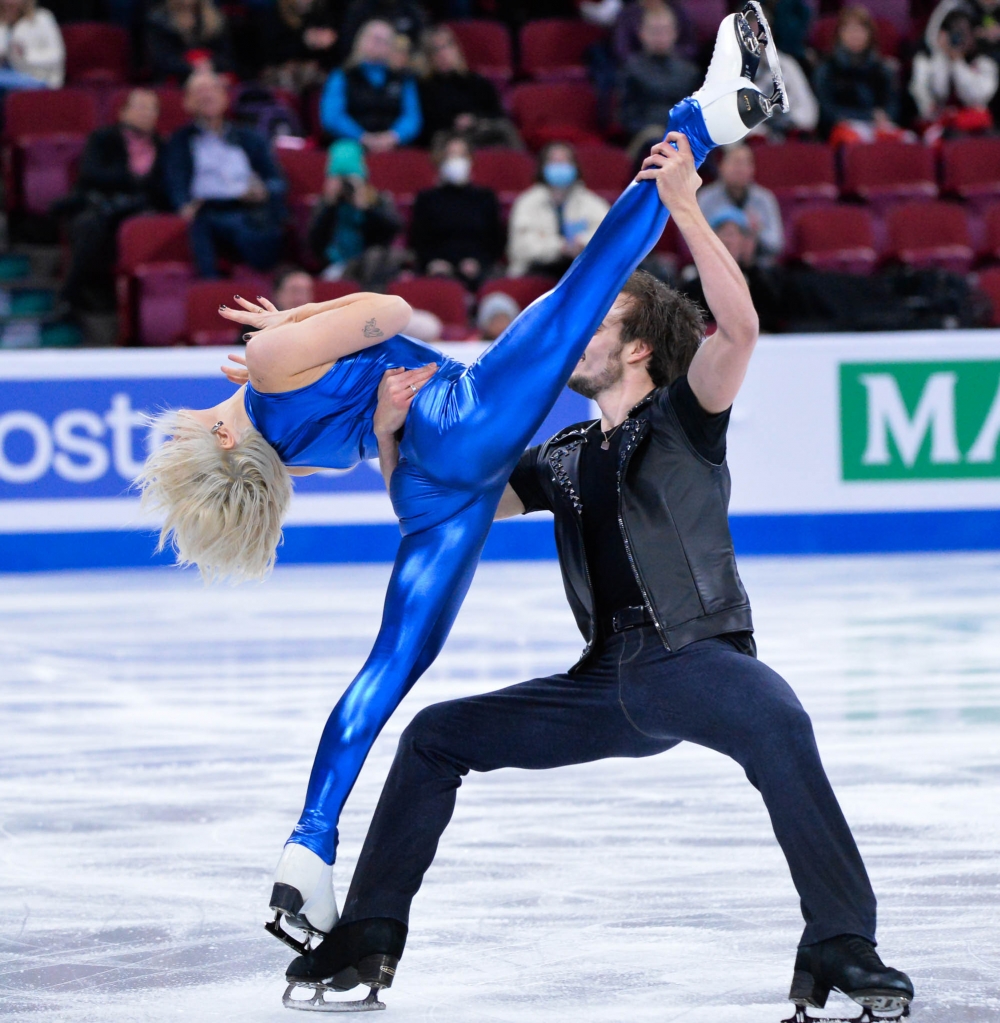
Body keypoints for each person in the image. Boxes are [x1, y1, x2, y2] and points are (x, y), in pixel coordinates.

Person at [135, 3, 784, 992]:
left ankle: (308, 856)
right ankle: (705, 115)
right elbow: (396, 312)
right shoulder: (264, 367)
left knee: (388, 670)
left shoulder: (279, 455)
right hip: (462, 412)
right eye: (196, 423)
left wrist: (364, 403)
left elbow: (376, 445)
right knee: (591, 280)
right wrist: (303, 323)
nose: (198, 413)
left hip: (431, 495)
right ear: (215, 437)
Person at [286, 157, 915, 1023]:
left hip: (692, 655)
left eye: (599, 319)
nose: (576, 332)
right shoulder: (563, 452)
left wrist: (687, 208)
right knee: (434, 736)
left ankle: (841, 942)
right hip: (607, 682)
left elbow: (739, 326)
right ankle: (365, 939)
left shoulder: (688, 415)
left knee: (777, 719)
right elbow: (436, 512)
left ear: (641, 344)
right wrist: (393, 439)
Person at [163, 71, 287, 279]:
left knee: (266, 231)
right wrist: (183, 205)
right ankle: (211, 294)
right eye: (199, 92)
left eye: (212, 90)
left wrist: (264, 191)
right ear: (187, 102)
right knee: (199, 230)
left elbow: (277, 181)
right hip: (204, 211)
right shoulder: (180, 141)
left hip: (247, 209)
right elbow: (174, 182)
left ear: (225, 97)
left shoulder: (250, 137)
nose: (207, 96)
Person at [58, 89, 165, 314]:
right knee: (89, 226)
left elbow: (163, 187)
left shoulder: (162, 146)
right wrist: (133, 181)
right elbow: (91, 174)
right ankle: (72, 293)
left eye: (152, 108)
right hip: (100, 206)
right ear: (123, 112)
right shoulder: (103, 138)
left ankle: (136, 305)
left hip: (139, 210)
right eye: (140, 107)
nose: (146, 113)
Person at [409, 134, 502, 290]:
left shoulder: (485, 197)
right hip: (436, 266)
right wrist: (432, 262)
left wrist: (478, 261)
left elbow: (495, 240)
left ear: (471, 160)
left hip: (477, 266)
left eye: (462, 155)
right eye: (451, 155)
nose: (456, 161)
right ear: (441, 161)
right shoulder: (427, 198)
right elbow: (418, 240)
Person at [307, 138, 402, 288]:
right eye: (340, 178)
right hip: (334, 266)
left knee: (377, 256)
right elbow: (313, 244)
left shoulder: (376, 199)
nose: (346, 186)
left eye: (350, 178)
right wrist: (330, 206)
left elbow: (392, 232)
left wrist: (366, 208)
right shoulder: (324, 204)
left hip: (370, 266)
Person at [507, 142, 610, 279]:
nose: (560, 166)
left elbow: (608, 236)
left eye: (565, 161)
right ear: (543, 167)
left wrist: (582, 243)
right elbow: (521, 248)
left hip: (582, 271)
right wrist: (561, 247)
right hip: (536, 273)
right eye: (554, 161)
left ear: (575, 167)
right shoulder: (527, 203)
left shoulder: (592, 202)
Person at [319, 18, 422, 152]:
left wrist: (393, 137)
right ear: (361, 40)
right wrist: (362, 137)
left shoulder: (403, 78)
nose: (379, 44)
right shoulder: (342, 75)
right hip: (350, 145)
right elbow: (332, 117)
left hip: (394, 146)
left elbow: (412, 117)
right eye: (375, 38)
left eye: (385, 41)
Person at [679, 206, 783, 333]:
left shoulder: (760, 279)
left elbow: (771, 318)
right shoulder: (693, 280)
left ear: (744, 242)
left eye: (732, 234)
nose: (727, 240)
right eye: (722, 234)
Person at [417, 25, 520, 149]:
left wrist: (474, 119)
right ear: (429, 57)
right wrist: (454, 122)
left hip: (481, 130)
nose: (443, 54)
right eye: (435, 50)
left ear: (457, 49)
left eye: (447, 47)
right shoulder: (425, 87)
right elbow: (427, 126)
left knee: (505, 128)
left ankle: (522, 165)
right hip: (449, 137)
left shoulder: (478, 82)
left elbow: (497, 113)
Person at [813, 5, 903, 144]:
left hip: (879, 127)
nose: (855, 35)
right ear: (839, 34)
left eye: (860, 29)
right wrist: (867, 116)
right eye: (849, 29)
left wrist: (885, 117)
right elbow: (826, 111)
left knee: (907, 141)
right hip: (843, 130)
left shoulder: (883, 69)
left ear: (870, 34)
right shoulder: (826, 69)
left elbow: (893, 105)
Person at [619, 6, 701, 154]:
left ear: (675, 33)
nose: (660, 37)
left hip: (683, 135)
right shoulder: (630, 70)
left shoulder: (689, 71)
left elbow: (695, 112)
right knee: (658, 144)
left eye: (665, 31)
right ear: (642, 33)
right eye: (655, 31)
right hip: (645, 135)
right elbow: (625, 115)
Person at [911, 6, 998, 142]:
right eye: (955, 32)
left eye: (965, 33)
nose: (961, 38)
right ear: (942, 34)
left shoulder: (985, 63)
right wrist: (942, 56)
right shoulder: (927, 60)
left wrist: (958, 62)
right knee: (950, 137)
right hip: (940, 125)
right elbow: (935, 93)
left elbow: (975, 98)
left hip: (974, 125)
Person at [697, 142, 784, 261]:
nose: (740, 169)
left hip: (756, 263)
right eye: (735, 163)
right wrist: (725, 236)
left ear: (752, 169)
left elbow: (776, 242)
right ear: (721, 166)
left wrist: (756, 232)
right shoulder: (706, 198)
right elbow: (695, 240)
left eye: (745, 163)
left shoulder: (765, 199)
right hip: (713, 261)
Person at [258, 0, 338, 94]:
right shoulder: (273, 14)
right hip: (280, 78)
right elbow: (271, 53)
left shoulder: (324, 11)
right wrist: (305, 39)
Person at [144, 0, 233, 82]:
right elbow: (161, 61)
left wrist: (209, 64)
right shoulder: (159, 20)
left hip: (213, 76)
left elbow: (227, 57)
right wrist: (194, 67)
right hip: (176, 80)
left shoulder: (216, 18)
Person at [0, 0, 63, 92]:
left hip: (38, 78)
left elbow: (57, 55)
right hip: (6, 76)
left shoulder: (43, 18)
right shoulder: (2, 23)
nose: (10, 2)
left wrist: (25, 55)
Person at [612, 0, 697, 64]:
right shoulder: (628, 15)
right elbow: (622, 50)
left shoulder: (679, 11)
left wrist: (669, 55)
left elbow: (690, 45)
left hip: (677, 65)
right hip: (640, 69)